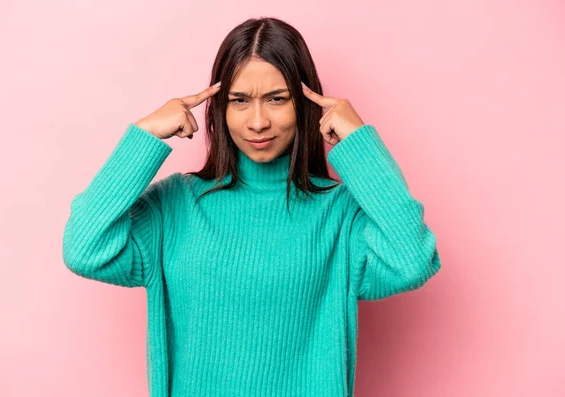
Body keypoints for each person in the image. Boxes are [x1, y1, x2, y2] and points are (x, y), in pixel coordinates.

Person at [62, 16, 441, 397]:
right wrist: (143, 137)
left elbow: (412, 261)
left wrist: (359, 143)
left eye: (277, 99)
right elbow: (85, 251)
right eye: (239, 101)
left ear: (307, 104)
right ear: (218, 110)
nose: (258, 122)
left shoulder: (339, 213)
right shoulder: (175, 205)